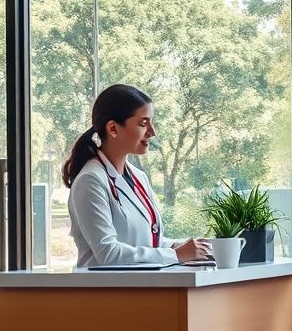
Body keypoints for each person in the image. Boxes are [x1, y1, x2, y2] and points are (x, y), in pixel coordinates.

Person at [63, 83, 208, 267]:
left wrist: (182, 246)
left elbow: (148, 243)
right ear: (113, 128)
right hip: (106, 293)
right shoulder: (90, 180)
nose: (152, 132)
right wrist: (176, 255)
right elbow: (108, 253)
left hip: (141, 290)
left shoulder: (138, 177)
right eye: (143, 123)